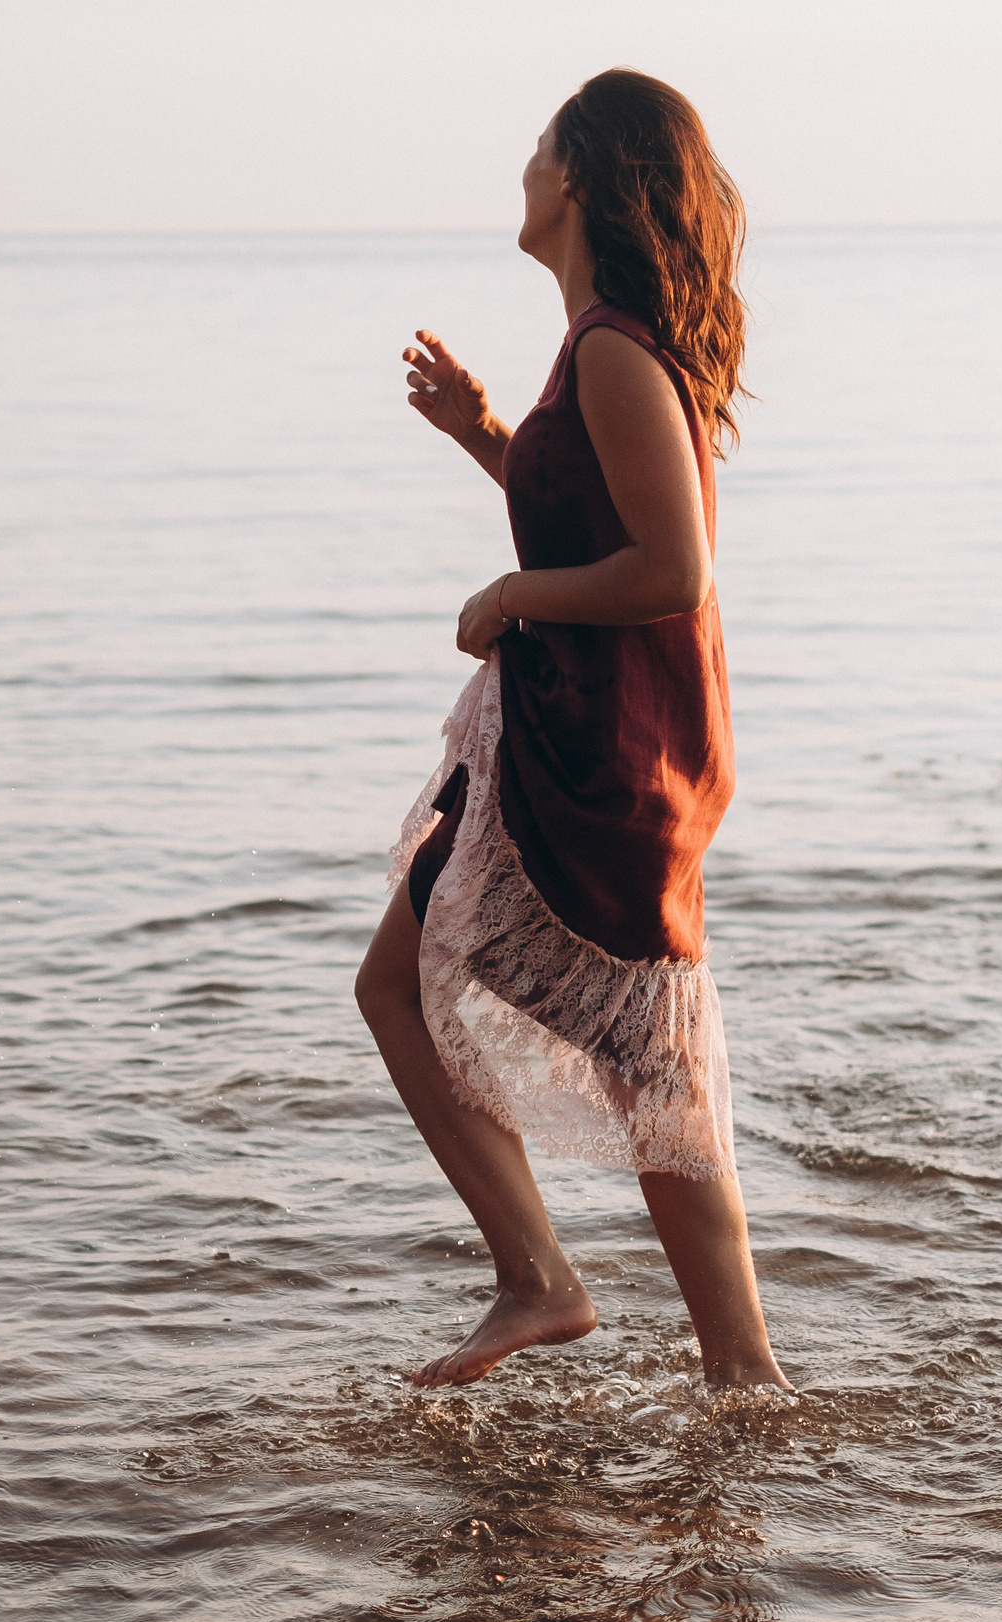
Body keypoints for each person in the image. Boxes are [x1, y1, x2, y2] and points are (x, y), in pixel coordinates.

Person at [355, 70, 787, 1391]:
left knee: (425, 995)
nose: (524, 166)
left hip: (606, 748)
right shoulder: (594, 343)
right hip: (588, 735)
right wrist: (491, 437)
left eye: (543, 146)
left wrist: (509, 595)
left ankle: (550, 1281)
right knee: (644, 1064)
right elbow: (601, 518)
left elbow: (673, 568)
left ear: (587, 177)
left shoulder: (610, 343)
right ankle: (737, 1373)